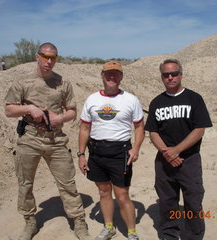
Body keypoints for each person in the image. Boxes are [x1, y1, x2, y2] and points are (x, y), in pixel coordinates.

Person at [4, 42, 91, 240]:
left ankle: (78, 222)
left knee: (67, 183)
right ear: (37, 56)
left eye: (53, 58)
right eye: (45, 56)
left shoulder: (63, 83)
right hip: (30, 139)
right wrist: (28, 109)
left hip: (56, 140)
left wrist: (60, 118)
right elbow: (9, 109)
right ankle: (30, 222)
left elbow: (72, 111)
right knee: (25, 183)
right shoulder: (23, 82)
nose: (49, 61)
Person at [145, 59, 212, 240]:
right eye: (166, 75)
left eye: (174, 73)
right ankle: (169, 234)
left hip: (189, 159)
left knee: (193, 201)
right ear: (162, 77)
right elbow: (153, 131)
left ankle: (194, 236)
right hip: (164, 161)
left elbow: (199, 129)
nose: (170, 77)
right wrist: (167, 153)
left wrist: (177, 150)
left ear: (181, 74)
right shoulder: (157, 102)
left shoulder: (194, 98)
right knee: (167, 201)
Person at [78, 61, 145, 240]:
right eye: (108, 73)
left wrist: (136, 148)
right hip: (97, 152)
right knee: (103, 191)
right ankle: (109, 227)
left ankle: (131, 232)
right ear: (102, 75)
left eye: (116, 74)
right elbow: (84, 128)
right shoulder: (92, 99)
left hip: (120, 152)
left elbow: (139, 127)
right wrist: (81, 154)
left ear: (121, 77)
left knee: (122, 195)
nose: (112, 77)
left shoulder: (130, 99)